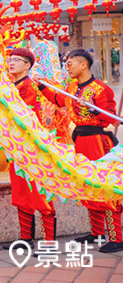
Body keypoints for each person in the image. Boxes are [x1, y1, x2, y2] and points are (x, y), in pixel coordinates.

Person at [36, 49, 123, 253]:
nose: (68, 66)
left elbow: (110, 117)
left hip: (97, 141)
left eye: (70, 63)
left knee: (105, 185)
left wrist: (92, 109)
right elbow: (59, 100)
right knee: (86, 184)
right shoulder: (72, 86)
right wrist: (41, 85)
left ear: (83, 65)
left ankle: (117, 237)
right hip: (81, 141)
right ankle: (97, 232)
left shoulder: (101, 89)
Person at [3, 49, 57, 248]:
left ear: (28, 65)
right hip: (16, 147)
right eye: (10, 60)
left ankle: (49, 242)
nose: (11, 63)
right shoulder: (11, 86)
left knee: (39, 193)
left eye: (17, 60)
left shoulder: (28, 86)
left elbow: (21, 114)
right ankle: (26, 238)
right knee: (21, 193)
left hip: (30, 149)